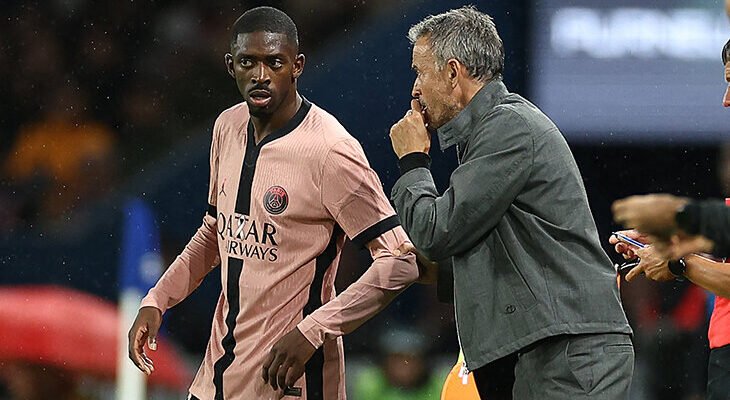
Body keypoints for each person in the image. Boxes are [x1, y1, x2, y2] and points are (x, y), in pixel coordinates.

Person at [127, 7, 421, 400]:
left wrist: (313, 330)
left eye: (275, 63)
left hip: (291, 379)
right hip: (216, 377)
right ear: (231, 66)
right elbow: (216, 231)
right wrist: (157, 300)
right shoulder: (227, 127)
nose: (260, 75)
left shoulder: (331, 150)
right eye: (248, 62)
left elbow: (401, 260)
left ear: (297, 66)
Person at [387, 6, 633, 400]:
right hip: (552, 348)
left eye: (420, 72)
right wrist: (439, 269)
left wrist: (413, 162)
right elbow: (511, 247)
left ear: (452, 73)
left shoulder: (508, 127)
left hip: (568, 353)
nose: (415, 88)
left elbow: (437, 231)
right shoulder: (490, 131)